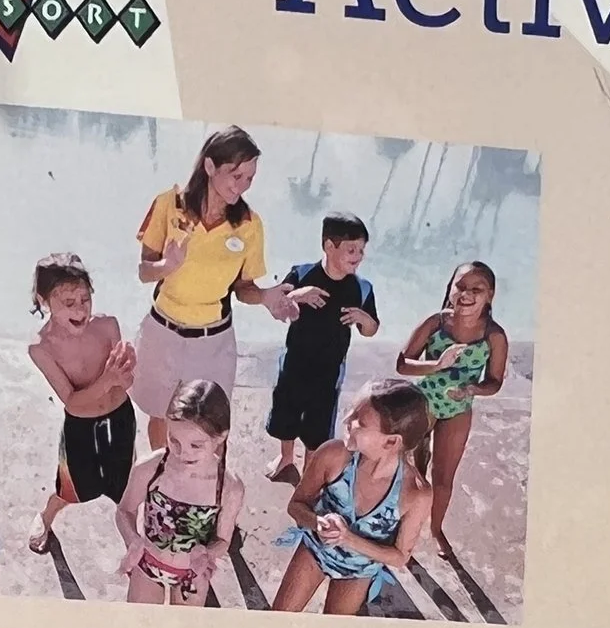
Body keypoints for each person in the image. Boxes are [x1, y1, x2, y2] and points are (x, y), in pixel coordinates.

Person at [132, 127, 309, 446]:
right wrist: (166, 267)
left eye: (249, 178)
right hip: (161, 334)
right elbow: (144, 270)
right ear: (209, 166)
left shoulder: (250, 226)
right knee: (160, 417)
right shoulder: (167, 205)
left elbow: (244, 288)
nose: (241, 186)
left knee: (209, 427)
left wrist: (267, 297)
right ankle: (160, 483)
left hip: (212, 343)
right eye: (235, 174)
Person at [274, 383, 434, 615]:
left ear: (391, 441)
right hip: (314, 551)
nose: (346, 420)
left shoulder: (416, 494)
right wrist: (317, 523)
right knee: (275, 620)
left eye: (360, 421)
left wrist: (347, 538)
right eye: (352, 411)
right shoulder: (332, 454)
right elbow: (296, 505)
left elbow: (399, 557)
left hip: (358, 571)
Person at [25, 255, 137, 551]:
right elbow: (72, 403)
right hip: (81, 428)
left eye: (84, 299)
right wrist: (110, 379)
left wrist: (126, 374)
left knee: (126, 485)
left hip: (120, 419)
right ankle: (46, 516)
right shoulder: (42, 348)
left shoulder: (108, 327)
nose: (80, 309)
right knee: (72, 487)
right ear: (44, 300)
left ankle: (134, 538)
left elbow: (126, 385)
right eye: (69, 303)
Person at [395, 262, 509, 551]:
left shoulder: (494, 336)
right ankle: (403, 526)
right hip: (423, 404)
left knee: (443, 478)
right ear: (450, 289)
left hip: (458, 410)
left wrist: (473, 389)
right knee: (412, 472)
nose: (466, 294)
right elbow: (402, 364)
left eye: (476, 289)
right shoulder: (436, 323)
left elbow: (494, 381)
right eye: (460, 286)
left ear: (490, 296)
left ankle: (435, 529)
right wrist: (436, 364)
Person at [267, 215, 379, 482]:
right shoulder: (302, 273)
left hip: (329, 370)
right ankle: (285, 457)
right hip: (295, 362)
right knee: (286, 413)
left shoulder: (362, 288)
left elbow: (371, 329)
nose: (358, 256)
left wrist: (364, 319)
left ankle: (309, 469)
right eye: (351, 250)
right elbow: (277, 307)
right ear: (329, 246)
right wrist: (298, 296)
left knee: (318, 425)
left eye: (361, 250)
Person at [118, 377, 240, 606]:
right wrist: (132, 540)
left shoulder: (228, 487)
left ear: (220, 438)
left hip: (192, 574)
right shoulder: (151, 468)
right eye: (174, 440)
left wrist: (208, 553)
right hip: (148, 565)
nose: (183, 453)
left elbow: (223, 539)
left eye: (196, 445)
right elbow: (125, 509)